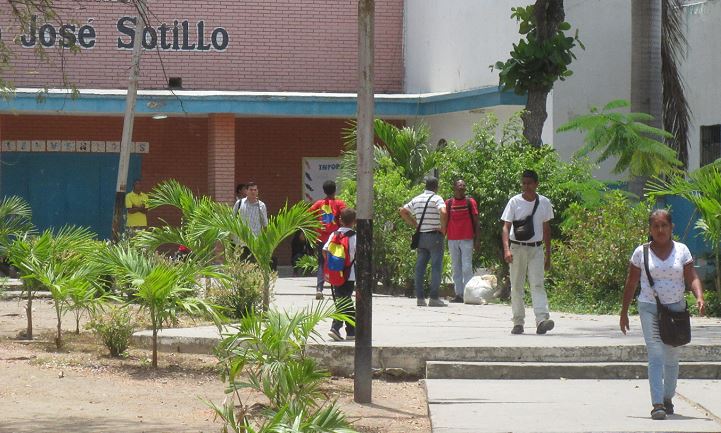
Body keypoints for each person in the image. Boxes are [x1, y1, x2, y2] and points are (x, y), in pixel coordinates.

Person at [620, 209, 705, 420]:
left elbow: (691, 276)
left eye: (664, 225)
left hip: (676, 310)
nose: (660, 230)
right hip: (649, 307)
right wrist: (624, 312)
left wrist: (699, 296)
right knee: (656, 353)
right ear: (650, 229)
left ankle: (667, 398)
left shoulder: (682, 250)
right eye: (656, 226)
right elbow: (631, 283)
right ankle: (657, 403)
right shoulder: (641, 252)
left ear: (671, 227)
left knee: (672, 357)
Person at [501, 169, 555, 335]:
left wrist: (548, 254)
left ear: (536, 184)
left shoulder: (544, 203)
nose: (526, 186)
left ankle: (542, 320)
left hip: (536, 249)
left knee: (537, 284)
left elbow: (546, 230)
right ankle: (518, 322)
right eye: (524, 183)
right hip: (517, 248)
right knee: (517, 286)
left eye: (529, 183)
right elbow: (506, 227)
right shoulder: (514, 202)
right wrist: (507, 249)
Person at [399, 176, 448, 307]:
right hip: (435, 236)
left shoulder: (417, 199)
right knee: (436, 267)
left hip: (421, 237)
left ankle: (420, 298)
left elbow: (403, 211)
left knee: (420, 268)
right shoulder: (437, 198)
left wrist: (415, 223)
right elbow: (443, 211)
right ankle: (434, 298)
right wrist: (443, 228)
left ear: (425, 186)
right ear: (436, 187)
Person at [309, 180, 347, 300]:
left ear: (324, 191)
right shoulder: (339, 203)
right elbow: (347, 215)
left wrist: (314, 227)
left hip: (320, 238)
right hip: (335, 239)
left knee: (321, 263)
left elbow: (308, 214)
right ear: (335, 190)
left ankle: (319, 289)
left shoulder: (319, 203)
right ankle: (336, 288)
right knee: (336, 262)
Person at [324, 207, 357, 341]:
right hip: (350, 274)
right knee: (345, 301)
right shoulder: (355, 237)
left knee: (343, 301)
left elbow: (325, 250)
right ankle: (336, 327)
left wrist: (332, 266)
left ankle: (351, 331)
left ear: (340, 220)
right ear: (354, 221)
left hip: (336, 274)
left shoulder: (334, 235)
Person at [446, 179, 479, 303]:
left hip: (467, 238)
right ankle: (459, 294)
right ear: (454, 187)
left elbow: (476, 221)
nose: (462, 187)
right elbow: (444, 221)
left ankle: (468, 294)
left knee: (466, 267)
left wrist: (477, 239)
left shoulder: (470, 202)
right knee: (456, 267)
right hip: (452, 239)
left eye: (463, 186)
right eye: (459, 185)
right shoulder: (448, 203)